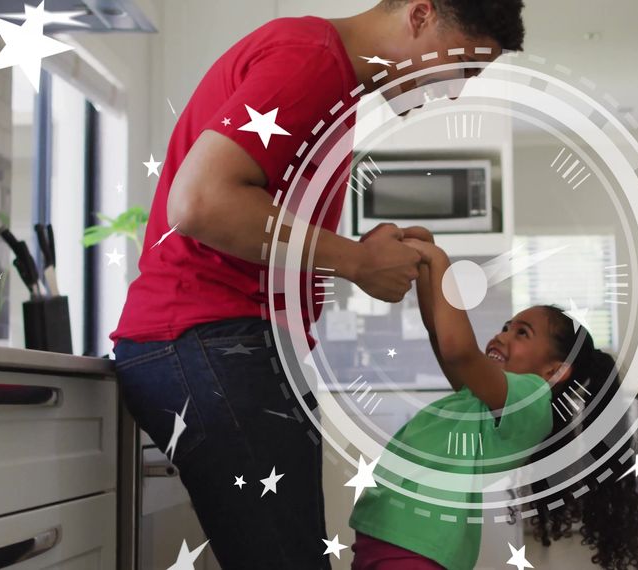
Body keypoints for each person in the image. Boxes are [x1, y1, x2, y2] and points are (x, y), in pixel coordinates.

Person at [109, 1, 525, 568]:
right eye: (458, 69)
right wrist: (355, 260)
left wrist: (361, 254)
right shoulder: (314, 62)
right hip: (212, 339)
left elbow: (248, 213)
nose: (452, 92)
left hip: (225, 344)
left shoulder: (330, 81)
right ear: (421, 15)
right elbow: (200, 201)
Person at [349, 235, 638, 570]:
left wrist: (440, 262)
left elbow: (458, 349)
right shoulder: (481, 398)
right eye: (506, 327)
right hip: (389, 534)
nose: (502, 335)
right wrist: (425, 268)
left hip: (416, 546)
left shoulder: (531, 401)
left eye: (522, 333)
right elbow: (440, 333)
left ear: (554, 371)